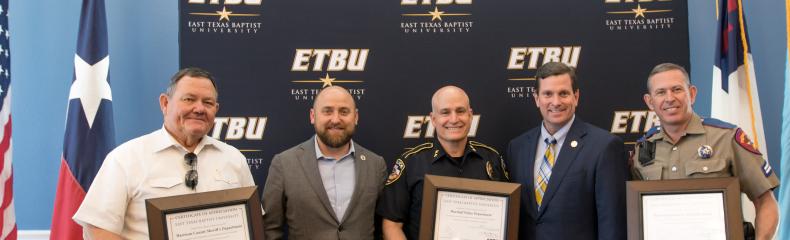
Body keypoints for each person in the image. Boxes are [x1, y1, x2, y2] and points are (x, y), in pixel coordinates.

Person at [72, 67, 256, 239]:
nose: (199, 108)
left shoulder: (234, 158)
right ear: (165, 103)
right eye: (189, 99)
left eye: (207, 102)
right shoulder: (125, 158)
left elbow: (251, 223)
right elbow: (97, 227)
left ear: (215, 109)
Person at [633, 63, 779, 239]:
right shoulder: (643, 150)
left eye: (677, 89)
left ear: (692, 93)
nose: (669, 98)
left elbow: (765, 201)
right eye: (661, 92)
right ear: (650, 102)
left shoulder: (726, 138)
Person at [506, 62, 628, 240]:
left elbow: (612, 223)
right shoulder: (517, 148)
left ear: (576, 97)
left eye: (563, 93)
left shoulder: (605, 147)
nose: (556, 102)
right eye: (548, 94)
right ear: (536, 98)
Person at [377, 85, 509, 240]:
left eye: (460, 111)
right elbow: (391, 224)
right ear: (433, 119)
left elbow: (506, 217)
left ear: (470, 115)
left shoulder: (491, 158)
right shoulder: (411, 162)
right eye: (445, 112)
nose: (454, 119)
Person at [262, 86, 387, 240]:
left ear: (355, 117)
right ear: (313, 116)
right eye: (327, 111)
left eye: (344, 111)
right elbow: (270, 229)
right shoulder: (284, 164)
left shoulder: (375, 165)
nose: (335, 119)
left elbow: (385, 227)